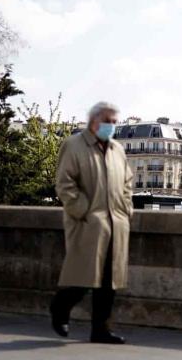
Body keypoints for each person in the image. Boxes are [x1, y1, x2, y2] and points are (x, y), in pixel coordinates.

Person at [49, 101, 133, 344]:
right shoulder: (74, 145)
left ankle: (101, 330)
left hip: (116, 223)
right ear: (95, 121)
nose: (113, 126)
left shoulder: (118, 149)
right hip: (89, 223)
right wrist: (83, 211)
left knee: (109, 283)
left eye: (116, 122)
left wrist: (126, 209)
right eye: (110, 121)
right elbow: (65, 184)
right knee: (82, 277)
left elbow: (127, 183)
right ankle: (59, 308)